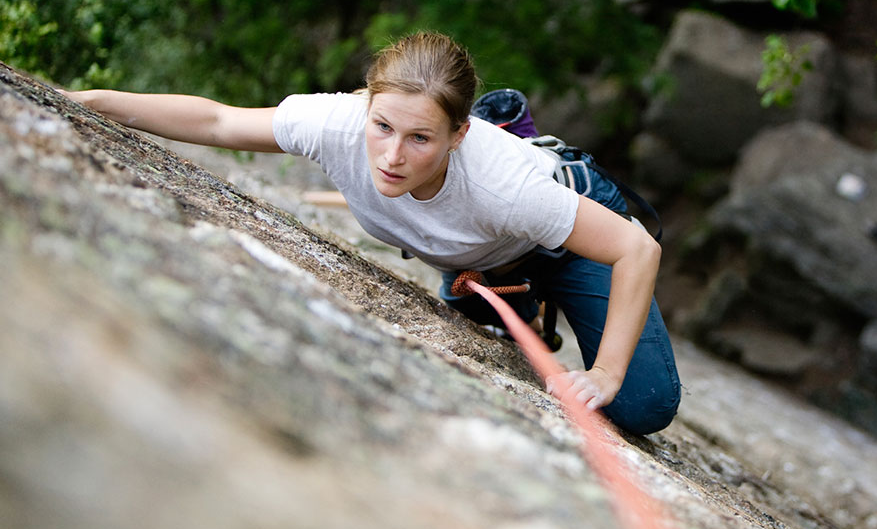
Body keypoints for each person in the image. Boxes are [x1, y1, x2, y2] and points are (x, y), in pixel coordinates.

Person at [63, 31, 681, 435]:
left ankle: (508, 152)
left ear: (457, 136)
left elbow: (636, 247)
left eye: (420, 138)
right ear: (366, 107)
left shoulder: (503, 186)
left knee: (640, 404)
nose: (390, 155)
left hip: (561, 231)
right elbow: (220, 120)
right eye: (383, 126)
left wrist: (601, 375)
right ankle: (488, 274)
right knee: (482, 314)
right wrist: (85, 100)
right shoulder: (336, 122)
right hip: (483, 255)